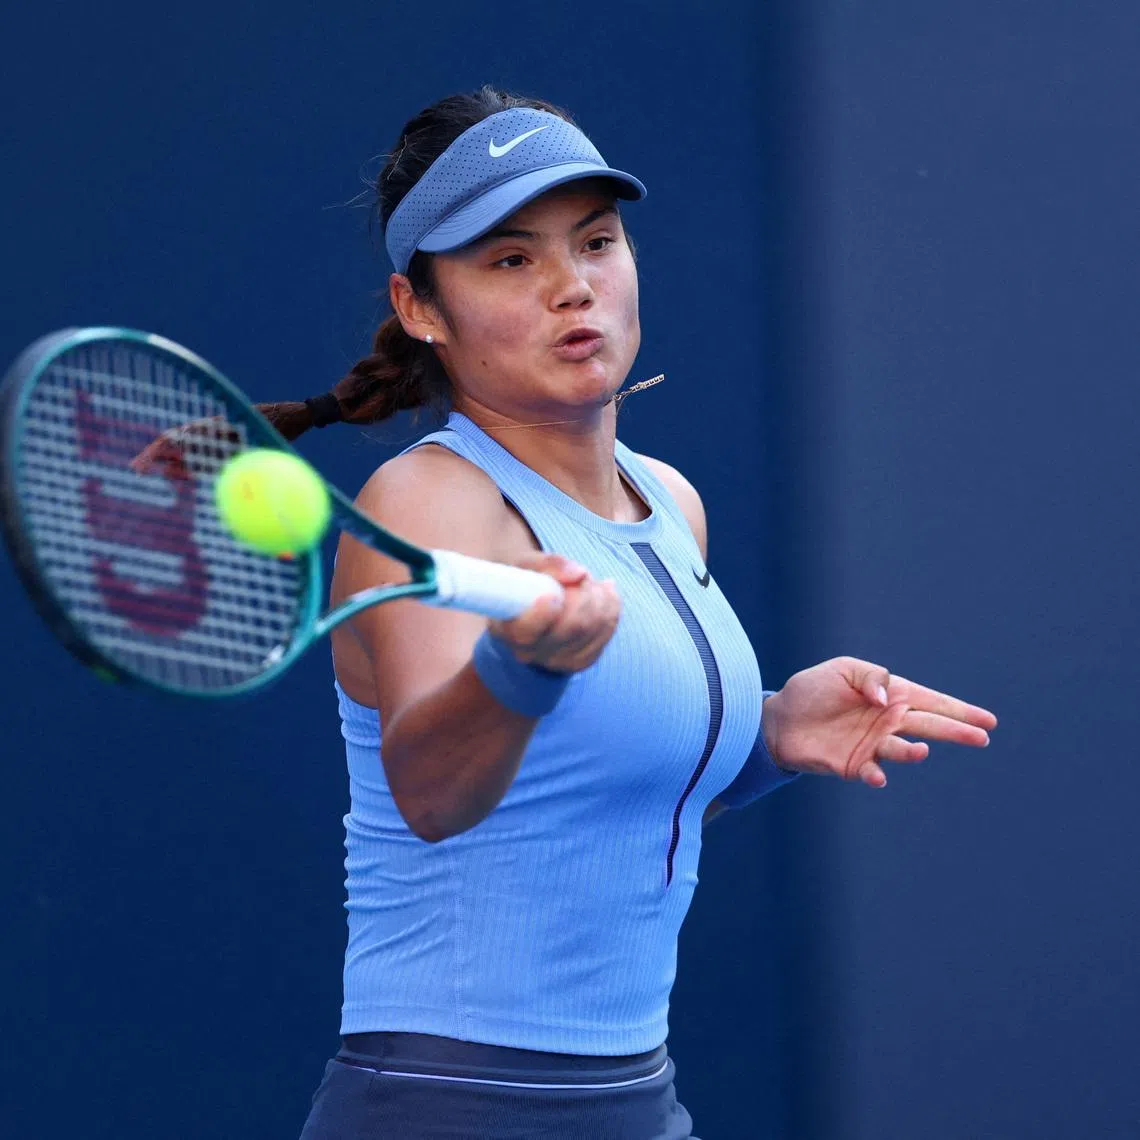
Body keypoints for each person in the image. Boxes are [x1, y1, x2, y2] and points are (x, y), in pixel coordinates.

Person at [263, 86, 997, 1140]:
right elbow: (430, 789)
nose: (574, 288)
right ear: (422, 307)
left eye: (596, 242)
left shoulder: (670, 502)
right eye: (512, 260)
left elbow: (596, 795)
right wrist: (521, 672)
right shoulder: (426, 504)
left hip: (634, 1102)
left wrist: (771, 732)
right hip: (451, 1107)